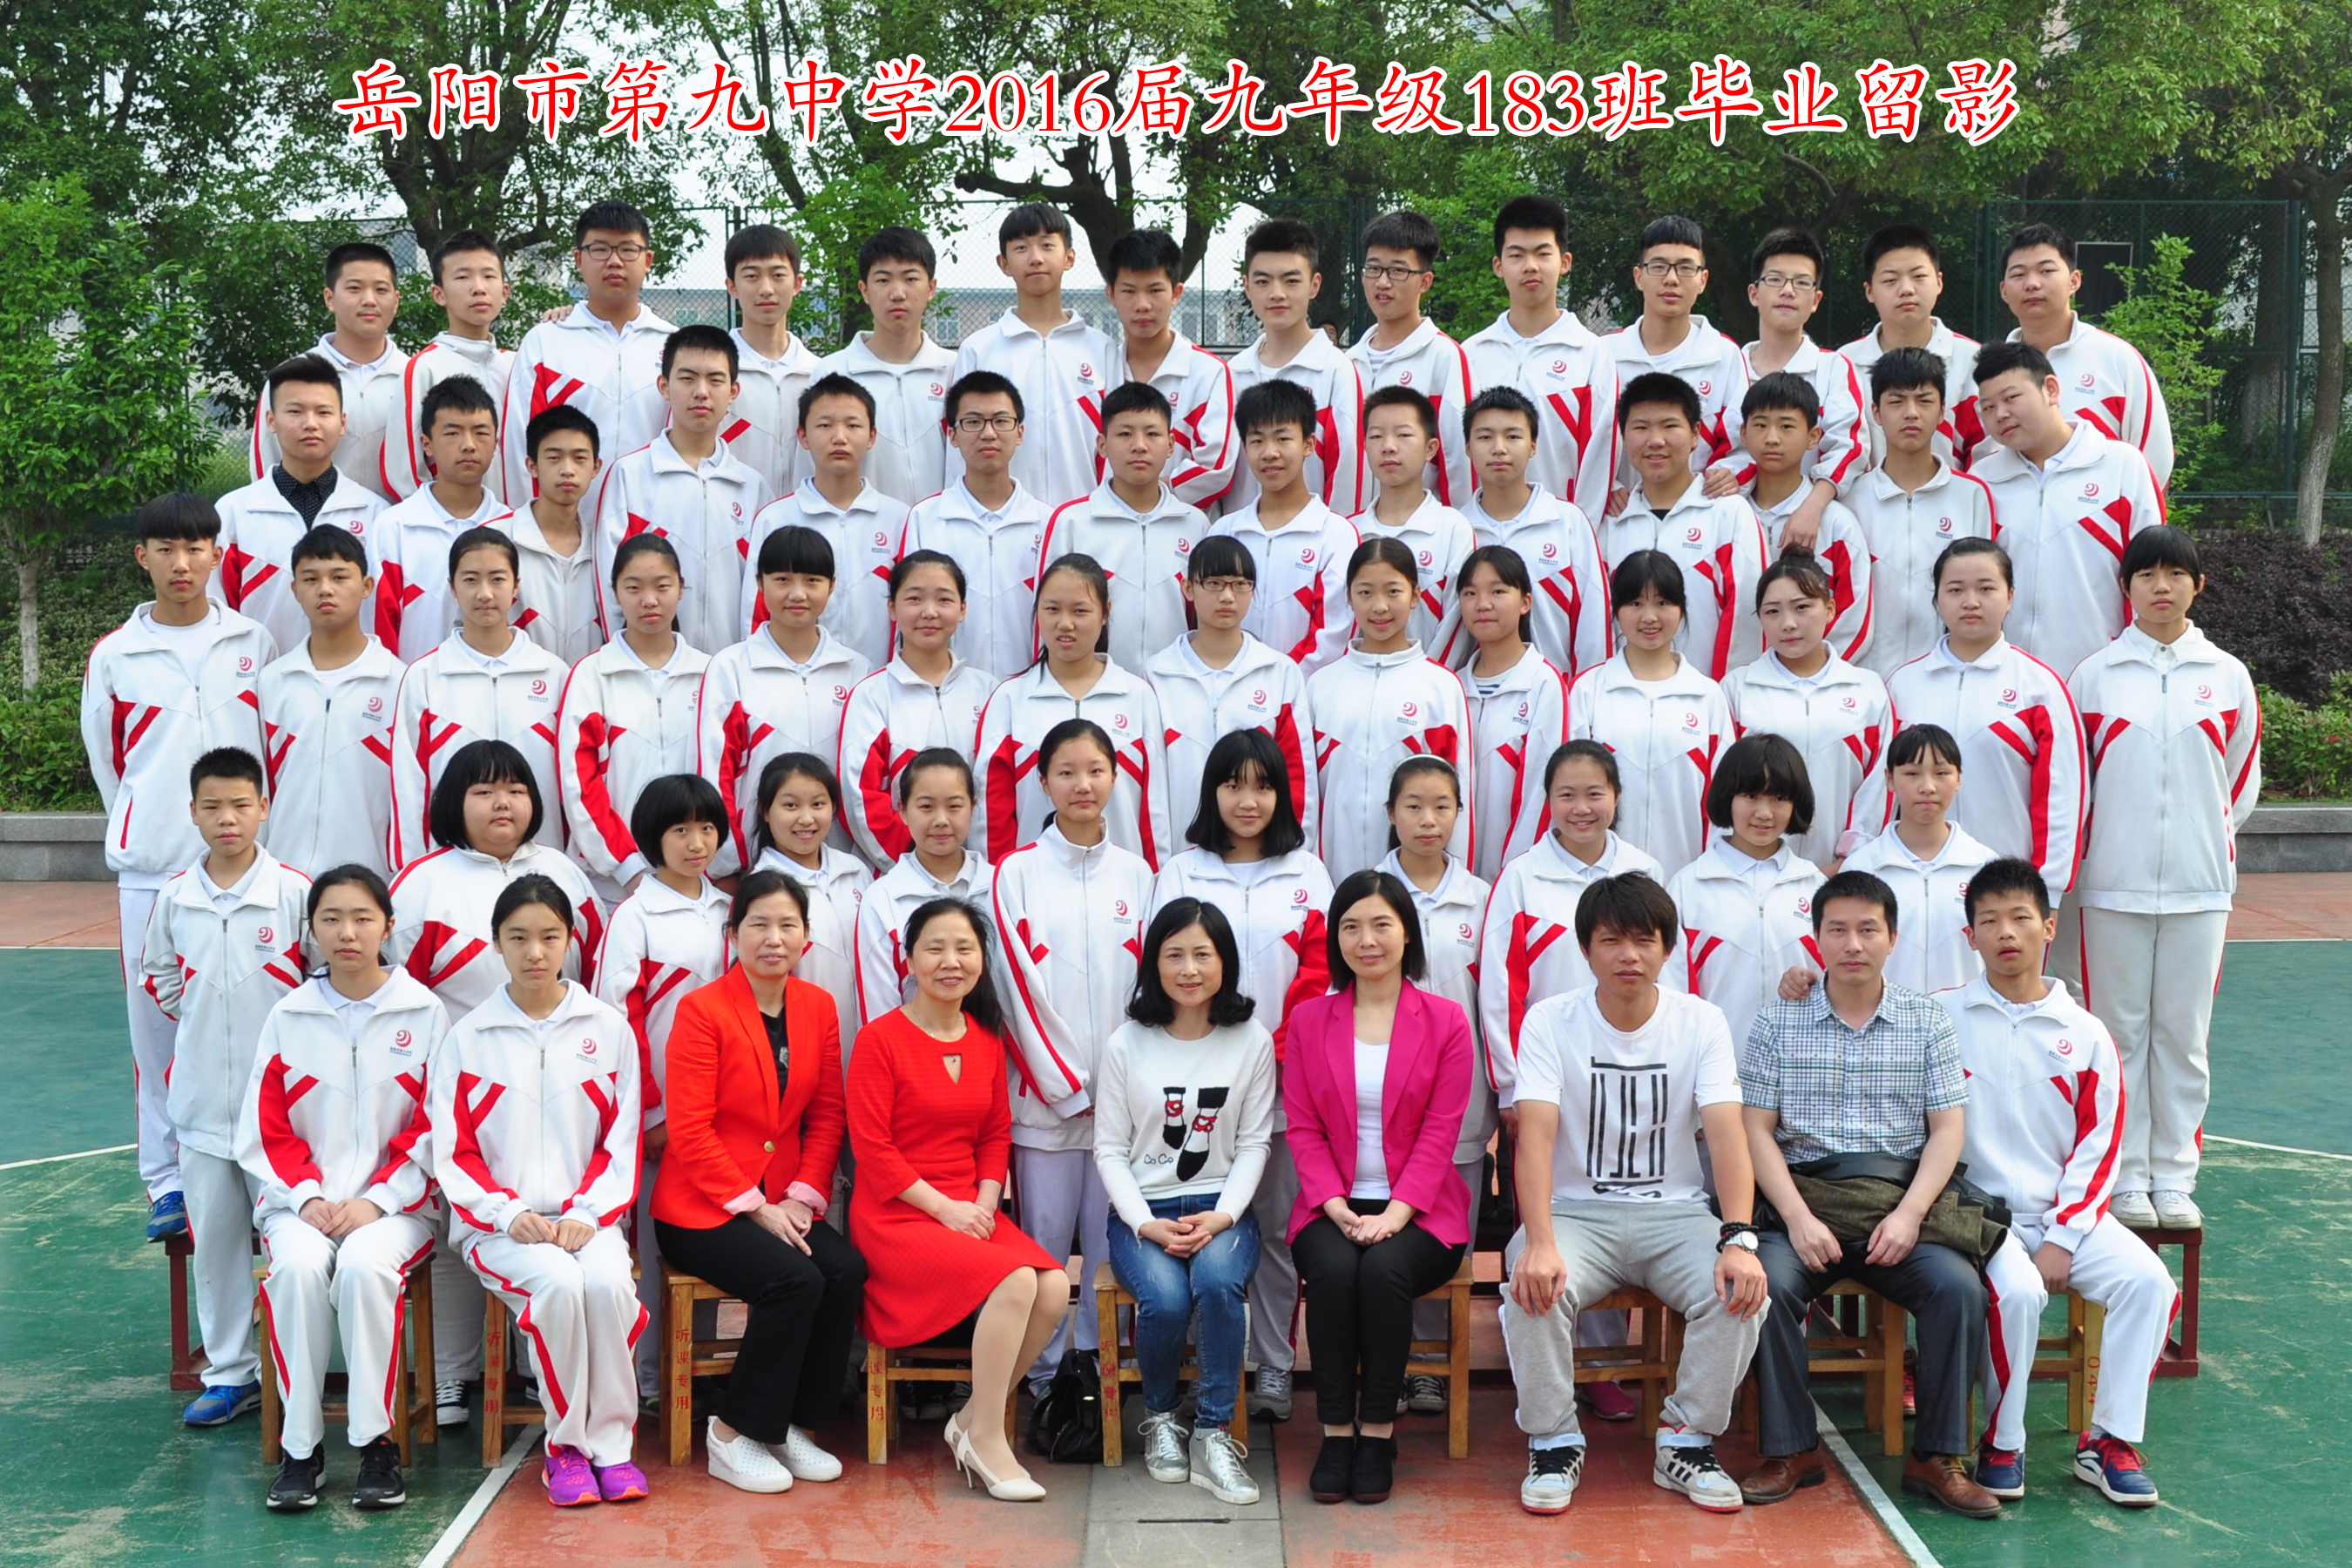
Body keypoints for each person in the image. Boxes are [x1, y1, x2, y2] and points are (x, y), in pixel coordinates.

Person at [1500, 871, 1769, 1515]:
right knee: (1531, 1283)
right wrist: (1539, 1241)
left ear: (1667, 948)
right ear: (1585, 948)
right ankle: (1554, 1440)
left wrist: (1738, 1238)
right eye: (1611, 940)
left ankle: (1687, 1439)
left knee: (1740, 1289)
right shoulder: (1550, 1021)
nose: (1629, 955)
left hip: (1675, 1215)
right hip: (1573, 1214)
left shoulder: (1700, 1021)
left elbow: (1727, 1135)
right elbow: (1534, 1138)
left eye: (1644, 940)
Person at [1736, 870, 1996, 1518]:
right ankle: (1792, 1450)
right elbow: (1755, 1130)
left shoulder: (1926, 1020)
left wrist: (1910, 1216)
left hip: (1897, 1205)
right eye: (1838, 930)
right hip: (1804, 1201)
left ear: (1892, 938)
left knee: (1958, 1289)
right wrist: (1796, 1219)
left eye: (1868, 930)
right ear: (1817, 938)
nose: (1853, 944)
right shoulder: (1777, 1020)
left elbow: (1947, 1131)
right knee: (1766, 1285)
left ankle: (1937, 1456)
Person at [1945, 858, 2178, 1508]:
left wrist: (2064, 1236)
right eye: (1989, 920)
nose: (2005, 933)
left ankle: (2108, 1441)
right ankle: (2002, 1443)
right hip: (1978, 1218)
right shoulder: (1940, 1018)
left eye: (2020, 918)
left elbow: (2101, 1147)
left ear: (2049, 927)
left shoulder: (2087, 1033)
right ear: (1970, 936)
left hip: (2068, 1217)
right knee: (2017, 1294)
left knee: (2150, 1283)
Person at [81, 492, 277, 1242]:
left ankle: (263, 1168)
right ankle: (167, 1183)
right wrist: (147, 826)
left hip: (245, 868)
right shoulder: (115, 655)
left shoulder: (252, 642)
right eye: (165, 549)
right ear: (143, 557)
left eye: (195, 548)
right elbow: (110, 763)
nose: (182, 562)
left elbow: (269, 750)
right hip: (152, 872)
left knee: (252, 1021)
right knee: (155, 1031)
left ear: (216, 554)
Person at [431, 873, 647, 1506]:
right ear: (495, 943)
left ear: (570, 940)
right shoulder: (468, 1038)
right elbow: (453, 1151)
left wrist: (588, 1213)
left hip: (589, 1220)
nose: (534, 952)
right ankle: (567, 1450)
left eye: (549, 936)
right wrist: (506, 1212)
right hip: (497, 1227)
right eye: (518, 937)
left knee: (607, 1286)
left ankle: (614, 1449)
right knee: (556, 1284)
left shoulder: (607, 1029)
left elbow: (622, 1139)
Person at [2068, 526, 2261, 1228]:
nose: (2161, 586)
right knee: (2117, 1034)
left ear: (2197, 585)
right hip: (2110, 886)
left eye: (2175, 573)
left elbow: (2239, 785)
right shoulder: (2094, 676)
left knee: (2183, 1036)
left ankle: (2174, 1176)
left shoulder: (2227, 676)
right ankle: (2124, 1176)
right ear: (2125, 587)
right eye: (2146, 574)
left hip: (2200, 888)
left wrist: (2202, 844)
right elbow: (2079, 782)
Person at [848, 897, 1070, 1500]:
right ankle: (988, 1438)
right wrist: (945, 1209)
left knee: (1053, 1286)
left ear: (980, 960)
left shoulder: (985, 1039)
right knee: (1016, 1281)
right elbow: (872, 1150)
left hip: (969, 1207)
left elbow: (995, 1134)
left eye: (964, 948)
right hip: (899, 1214)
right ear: (909, 960)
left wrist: (986, 1201)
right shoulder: (879, 1040)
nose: (951, 961)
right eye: (936, 948)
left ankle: (971, 1420)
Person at [239, 864, 446, 1511]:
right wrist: (305, 1196)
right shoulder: (289, 1015)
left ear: (388, 925)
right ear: (312, 929)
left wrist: (376, 1201)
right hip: (300, 1204)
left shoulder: (425, 1012)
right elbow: (265, 1125)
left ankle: (377, 1444)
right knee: (298, 1271)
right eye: (331, 919)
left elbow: (436, 1125)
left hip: (397, 1207)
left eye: (362, 918)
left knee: (362, 1268)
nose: (347, 933)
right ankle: (301, 1449)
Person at [652, 868, 867, 1493]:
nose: (774, 938)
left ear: (806, 936)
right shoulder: (702, 1010)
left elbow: (827, 1113)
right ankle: (732, 1432)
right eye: (759, 925)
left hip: (783, 1199)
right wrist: (755, 1207)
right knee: (794, 1280)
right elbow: (690, 1129)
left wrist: (801, 1197)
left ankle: (793, 1424)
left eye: (787, 925)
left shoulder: (818, 1007)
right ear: (733, 933)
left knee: (844, 1270)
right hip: (702, 1209)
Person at [1150, 727, 1335, 1423]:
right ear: (1213, 793)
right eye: (1233, 785)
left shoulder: (1308, 873)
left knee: (1280, 1231)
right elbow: (1166, 970)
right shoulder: (1182, 873)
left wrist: (1274, 1056)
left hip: (1286, 1083)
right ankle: (1205, 1365)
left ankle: (1276, 1365)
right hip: (1196, 1086)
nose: (1248, 801)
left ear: (1282, 794)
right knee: (1194, 1225)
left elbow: (1320, 975)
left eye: (1262, 786)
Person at [1286, 869, 1472, 1505]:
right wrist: (1335, 1206)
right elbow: (1303, 1126)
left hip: (1423, 1209)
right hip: (1329, 1204)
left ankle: (1377, 1433)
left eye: (1381, 925)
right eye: (1351, 927)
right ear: (1336, 939)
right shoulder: (1310, 1020)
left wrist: (1397, 1213)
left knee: (1383, 1270)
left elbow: (1442, 1130)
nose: (1366, 940)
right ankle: (1336, 1433)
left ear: (1407, 933)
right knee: (1336, 1270)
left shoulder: (1445, 1021)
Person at [143, 746, 314, 1427]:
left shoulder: (294, 893)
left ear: (264, 807)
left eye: (241, 804)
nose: (227, 819)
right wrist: (203, 1018)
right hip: (202, 1112)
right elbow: (161, 978)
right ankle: (230, 1374)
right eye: (212, 806)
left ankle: (295, 1369)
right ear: (192, 812)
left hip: (283, 1117)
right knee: (215, 1245)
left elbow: (321, 980)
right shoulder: (175, 898)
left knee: (294, 1245)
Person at [991, 719, 1155, 1397]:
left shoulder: (1139, 876)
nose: (1082, 784)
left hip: (1122, 1106)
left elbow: (1153, 990)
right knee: (1045, 1245)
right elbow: (1013, 988)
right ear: (1043, 781)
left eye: (1095, 770)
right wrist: (1064, 1084)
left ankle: (1096, 1372)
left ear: (1116, 777)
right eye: (1066, 771)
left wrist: (1118, 1088)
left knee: (1112, 1246)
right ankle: (1043, 1376)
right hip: (1044, 1104)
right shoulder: (1016, 873)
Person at [1095, 898, 1276, 1503]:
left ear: (1225, 962)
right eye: (1174, 955)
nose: (1189, 969)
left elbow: (1253, 1143)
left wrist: (1224, 1216)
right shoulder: (1127, 1043)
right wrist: (1144, 1224)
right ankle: (1162, 1418)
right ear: (1154, 963)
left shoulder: (1251, 1040)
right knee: (1167, 1300)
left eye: (1203, 954)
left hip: (1221, 1205)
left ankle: (1213, 1432)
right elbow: (1109, 1151)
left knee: (1219, 1282)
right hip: (1144, 1210)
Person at [594, 774, 732, 1395]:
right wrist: (650, 1114)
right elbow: (617, 1021)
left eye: (707, 828)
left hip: (729, 1109)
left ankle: (714, 1373)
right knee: (654, 1247)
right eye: (680, 830)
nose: (696, 843)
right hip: (663, 1117)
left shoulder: (730, 910)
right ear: (653, 837)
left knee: (720, 1242)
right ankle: (651, 1380)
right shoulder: (634, 917)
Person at [1378, 757, 1494, 1415]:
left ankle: (1432, 1364)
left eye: (1442, 806)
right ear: (1391, 813)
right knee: (1383, 1229)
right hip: (1381, 1097)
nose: (1428, 820)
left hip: (1461, 1099)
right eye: (1414, 806)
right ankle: (1387, 1362)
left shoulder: (1482, 899)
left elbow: (1493, 1001)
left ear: (1459, 813)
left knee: (1448, 1232)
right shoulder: (1367, 893)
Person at [1880, 537, 2085, 900]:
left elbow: (2062, 795)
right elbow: (1879, 789)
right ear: (1937, 598)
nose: (1971, 601)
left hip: (2007, 890)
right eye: (1955, 590)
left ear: (2010, 596)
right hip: (1911, 882)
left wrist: (2047, 889)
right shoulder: (1902, 685)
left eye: (1986, 588)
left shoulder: (2039, 687)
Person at [1478, 741, 1668, 1112]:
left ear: (1616, 796)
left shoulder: (1646, 871)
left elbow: (1670, 977)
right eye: (1567, 795)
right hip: (1546, 1076)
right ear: (1548, 799)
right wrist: (1511, 1086)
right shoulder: (1520, 877)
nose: (1581, 808)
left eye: (1595, 794)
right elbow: (1500, 990)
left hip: (1636, 1071)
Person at [1968, 341, 2165, 679]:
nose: (2000, 414)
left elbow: (2153, 573)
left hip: (2104, 674)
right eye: (1988, 407)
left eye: (2011, 398)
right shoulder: (1982, 480)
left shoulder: (2122, 467)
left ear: (2052, 390)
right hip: (2006, 679)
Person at [386, 528, 571, 868]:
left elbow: (573, 782)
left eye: (497, 579)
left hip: (541, 865)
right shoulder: (425, 676)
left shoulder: (554, 674)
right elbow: (408, 783)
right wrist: (412, 870)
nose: (485, 593)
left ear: (516, 586)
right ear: (452, 587)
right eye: (471, 580)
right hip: (452, 867)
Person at [973, 554, 1173, 867]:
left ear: (1105, 612)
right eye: (1052, 609)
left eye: (1080, 611)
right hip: (1034, 883)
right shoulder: (1009, 699)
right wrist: (999, 879)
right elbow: (992, 814)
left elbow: (1155, 810)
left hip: (1122, 883)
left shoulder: (1138, 696)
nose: (1065, 623)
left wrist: (1155, 880)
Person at [697, 526, 869, 875]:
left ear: (832, 585)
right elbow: (715, 773)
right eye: (782, 580)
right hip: (755, 867)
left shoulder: (857, 670)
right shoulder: (731, 668)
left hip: (842, 866)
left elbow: (866, 778)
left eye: (812, 580)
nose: (797, 594)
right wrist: (728, 866)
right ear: (759, 583)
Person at [591, 324, 772, 655]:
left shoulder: (752, 487)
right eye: (687, 378)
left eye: (715, 380)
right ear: (664, 385)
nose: (701, 392)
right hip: (650, 665)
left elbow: (765, 589)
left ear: (733, 391)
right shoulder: (629, 476)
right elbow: (609, 578)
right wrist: (630, 658)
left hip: (733, 668)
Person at [1308, 537, 1476, 882]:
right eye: (1365, 592)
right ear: (1349, 597)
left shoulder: (1440, 687)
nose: (1380, 606)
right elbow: (1307, 794)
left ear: (1415, 596)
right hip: (1332, 878)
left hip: (1415, 884)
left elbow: (1458, 796)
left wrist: (1450, 884)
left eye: (1393, 591)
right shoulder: (1321, 686)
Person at [557, 534, 710, 902]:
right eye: (634, 587)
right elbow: (580, 781)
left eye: (662, 586)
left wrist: (712, 858)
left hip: (699, 877)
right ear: (615, 593)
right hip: (613, 885)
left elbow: (726, 775)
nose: (649, 600)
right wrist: (627, 867)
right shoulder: (592, 675)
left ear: (681, 589)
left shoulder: (710, 673)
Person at [1565, 551, 1734, 876]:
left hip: (1686, 879)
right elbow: (1568, 790)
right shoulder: (1588, 691)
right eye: (1635, 603)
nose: (1650, 617)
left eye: (1662, 603)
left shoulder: (1707, 696)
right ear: (1616, 610)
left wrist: (1706, 878)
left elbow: (1725, 800)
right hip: (1602, 882)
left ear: (1681, 608)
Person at [1145, 535, 1320, 844]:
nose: (1227, 596)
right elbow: (1150, 787)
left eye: (1240, 584)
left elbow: (1297, 774)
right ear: (1188, 588)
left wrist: (1293, 853)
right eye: (1214, 584)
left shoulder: (1279, 672)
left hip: (1259, 855)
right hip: (1181, 853)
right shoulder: (1156, 675)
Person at [499, 200, 675, 505]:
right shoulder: (545, 343)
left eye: (628, 249)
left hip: (652, 522)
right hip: (566, 523)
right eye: (600, 249)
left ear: (648, 260)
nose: (614, 261)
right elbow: (519, 445)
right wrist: (531, 525)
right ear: (578, 260)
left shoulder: (674, 346)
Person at [1721, 553, 1889, 867]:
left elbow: (1879, 785)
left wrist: (1848, 862)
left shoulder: (1867, 690)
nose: (1788, 623)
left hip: (1842, 874)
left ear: (1830, 609)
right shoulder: (1737, 689)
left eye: (1802, 607)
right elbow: (1724, 786)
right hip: (1754, 869)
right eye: (1772, 611)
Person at [1594, 374, 1767, 680]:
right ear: (1623, 437)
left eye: (1669, 426)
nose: (1655, 440)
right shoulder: (1611, 523)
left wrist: (1726, 695)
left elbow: (1746, 618)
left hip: (1708, 698)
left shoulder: (1728, 514)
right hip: (1624, 697)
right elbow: (1600, 623)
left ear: (1696, 433)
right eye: (1641, 427)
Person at [1664, 734, 1827, 1058]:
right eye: (1751, 796)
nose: (1764, 812)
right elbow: (1671, 990)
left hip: (1802, 1068)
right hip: (1715, 1068)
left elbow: (1841, 980)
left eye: (1779, 798)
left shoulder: (1814, 885)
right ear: (1727, 797)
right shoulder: (1687, 887)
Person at [257, 524, 404, 878]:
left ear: (367, 586)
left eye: (339, 577)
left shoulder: (400, 683)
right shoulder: (271, 682)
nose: (325, 589)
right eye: (311, 579)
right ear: (294, 589)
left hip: (369, 881)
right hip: (283, 877)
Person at [947, 203, 1114, 511]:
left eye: (1047, 245)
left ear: (1069, 257)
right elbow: (961, 441)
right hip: (1005, 520)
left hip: (1087, 517)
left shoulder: (1101, 348)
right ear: (1004, 263)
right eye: (1021, 248)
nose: (1036, 258)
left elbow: (1118, 437)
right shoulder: (978, 349)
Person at [1460, 196, 1619, 519]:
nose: (1530, 266)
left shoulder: (1591, 355)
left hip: (1558, 535)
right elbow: (1457, 456)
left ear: (1565, 262)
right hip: (1481, 535)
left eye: (1543, 253)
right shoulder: (1470, 354)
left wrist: (1574, 533)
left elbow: (1599, 463)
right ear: (1498, 266)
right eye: (1517, 255)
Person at [214, 355, 386, 652]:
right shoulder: (233, 514)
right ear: (271, 420)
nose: (310, 424)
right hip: (260, 674)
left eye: (323, 412)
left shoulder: (376, 514)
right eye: (295, 411)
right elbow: (215, 612)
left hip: (355, 675)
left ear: (342, 422)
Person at [1039, 381, 1213, 669]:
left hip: (1176, 683)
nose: (1139, 446)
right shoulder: (1071, 521)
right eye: (1125, 434)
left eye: (1152, 434)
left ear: (1171, 444)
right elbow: (1046, 614)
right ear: (1102, 445)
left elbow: (1203, 617)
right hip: (1096, 685)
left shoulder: (1195, 524)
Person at [1847, 348, 1997, 679]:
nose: (1911, 413)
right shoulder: (1851, 498)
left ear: (1942, 411)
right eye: (1897, 401)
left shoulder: (1972, 495)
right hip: (1864, 678)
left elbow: (1987, 587)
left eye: (1924, 401)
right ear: (1876, 412)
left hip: (1945, 675)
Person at [837, 552, 995, 864]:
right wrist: (915, 868)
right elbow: (861, 798)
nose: (929, 612)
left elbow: (998, 794)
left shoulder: (990, 692)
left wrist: (982, 869)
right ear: (892, 608)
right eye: (914, 599)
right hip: (900, 874)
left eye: (944, 600)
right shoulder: (871, 696)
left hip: (978, 875)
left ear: (963, 609)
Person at [741, 374, 907, 671]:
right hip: (795, 680)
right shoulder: (776, 518)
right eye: (825, 425)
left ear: (872, 436)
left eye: (853, 425)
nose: (839, 437)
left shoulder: (900, 519)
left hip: (882, 682)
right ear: (803, 436)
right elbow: (756, 612)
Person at [900, 370, 1055, 678]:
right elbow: (909, 614)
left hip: (1032, 689)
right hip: (950, 688)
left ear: (1020, 432)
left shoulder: (1048, 522)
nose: (988, 433)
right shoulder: (925, 518)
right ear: (952, 435)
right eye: (973, 422)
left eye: (1001, 421)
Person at [1205, 378, 1362, 674]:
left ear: (1308, 444)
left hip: (1304, 694)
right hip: (1229, 690)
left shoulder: (1335, 535)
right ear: (1245, 448)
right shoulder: (1223, 532)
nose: (1270, 452)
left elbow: (1331, 637)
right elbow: (1207, 624)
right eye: (1257, 440)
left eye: (1282, 438)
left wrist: (1277, 686)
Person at [1997, 223, 2173, 485]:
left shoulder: (2118, 360)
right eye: (2019, 274)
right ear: (2004, 291)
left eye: (2046, 271)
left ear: (2074, 281)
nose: (2032, 284)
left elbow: (2155, 460)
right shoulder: (1989, 371)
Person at [1456, 388, 1610, 681]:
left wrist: (1585, 695)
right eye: (1485, 437)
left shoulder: (1567, 522)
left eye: (1513, 436)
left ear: (1533, 445)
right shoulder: (1458, 529)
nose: (1499, 448)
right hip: (1474, 696)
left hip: (1558, 694)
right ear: (1467, 447)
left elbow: (1593, 622)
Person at [1220, 219, 1366, 518]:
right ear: (1247, 286)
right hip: (1240, 540)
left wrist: (1338, 538)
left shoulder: (1336, 370)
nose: (1277, 293)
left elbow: (1348, 474)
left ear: (1314, 285)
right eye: (1263, 281)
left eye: (1291, 281)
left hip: (1315, 540)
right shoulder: (1232, 373)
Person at [1834, 724, 1993, 995]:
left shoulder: (1985, 867)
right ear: (1889, 779)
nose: (1928, 787)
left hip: (1966, 1017)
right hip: (1884, 1018)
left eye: (1941, 773)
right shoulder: (1861, 867)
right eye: (1912, 774)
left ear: (1959, 778)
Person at [1735, 228, 1868, 552]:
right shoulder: (1731, 367)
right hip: (1736, 524)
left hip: (1812, 530)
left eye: (1802, 282)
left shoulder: (1833, 368)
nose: (1788, 291)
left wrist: (1811, 507)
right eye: (1775, 279)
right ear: (1754, 293)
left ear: (1816, 300)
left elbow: (1850, 448)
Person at [370, 377, 517, 665]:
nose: (469, 445)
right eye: (453, 433)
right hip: (414, 687)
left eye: (481, 433)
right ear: (427, 444)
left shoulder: (512, 527)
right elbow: (379, 629)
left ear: (496, 443)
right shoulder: (394, 528)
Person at [250, 242, 408, 498]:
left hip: (398, 522)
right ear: (329, 298)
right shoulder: (291, 378)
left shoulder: (414, 376)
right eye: (354, 288)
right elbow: (265, 469)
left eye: (381, 290)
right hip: (314, 521)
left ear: (396, 301)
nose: (369, 300)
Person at [853, 750, 997, 1030]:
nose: (941, 820)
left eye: (954, 806)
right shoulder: (883, 899)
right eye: (927, 807)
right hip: (914, 1053)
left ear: (973, 807)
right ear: (903, 810)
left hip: (997, 1052)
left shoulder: (1000, 887)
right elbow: (879, 1009)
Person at [1604, 216, 1747, 495]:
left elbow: (1741, 445)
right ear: (1638, 277)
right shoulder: (1604, 354)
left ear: (1702, 280)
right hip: (1620, 514)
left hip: (1700, 512)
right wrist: (1609, 488)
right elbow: (1588, 443)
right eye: (1658, 266)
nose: (1671, 279)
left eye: (1685, 268)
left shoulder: (1724, 355)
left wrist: (1729, 475)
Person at [813, 226, 955, 504]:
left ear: (931, 288)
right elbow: (813, 471)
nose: (898, 293)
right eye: (883, 280)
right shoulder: (832, 373)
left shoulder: (955, 370)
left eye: (911, 278)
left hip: (943, 526)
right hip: (865, 526)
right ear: (864, 290)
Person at [1737, 374, 1873, 658]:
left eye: (1786, 426)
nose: (1772, 438)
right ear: (1744, 434)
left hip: (1815, 678)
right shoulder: (1727, 515)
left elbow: (1854, 620)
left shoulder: (1837, 524)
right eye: (1760, 425)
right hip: (1739, 677)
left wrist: (1806, 672)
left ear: (1813, 437)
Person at [748, 753, 874, 1059]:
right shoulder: (760, 890)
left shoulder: (856, 871)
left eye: (818, 804)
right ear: (765, 811)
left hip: (872, 1043)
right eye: (791, 806)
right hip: (803, 1049)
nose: (806, 819)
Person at [1103, 226, 1236, 508]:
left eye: (1155, 290)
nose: (1142, 305)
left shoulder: (1208, 372)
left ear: (1176, 293)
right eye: (1129, 291)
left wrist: (1143, 493)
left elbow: (1216, 469)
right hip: (1104, 524)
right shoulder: (1098, 370)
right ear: (1111, 294)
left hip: (1185, 527)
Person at [1348, 210, 1474, 508]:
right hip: (1356, 526)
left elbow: (1458, 460)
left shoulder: (1444, 356)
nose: (1382, 282)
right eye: (1373, 269)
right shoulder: (1347, 363)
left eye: (1398, 271)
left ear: (1425, 281)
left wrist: (1456, 526)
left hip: (1422, 527)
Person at [1456, 545, 1567, 879]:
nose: (1483, 604)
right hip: (1451, 875)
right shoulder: (1451, 686)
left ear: (1525, 602)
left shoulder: (1542, 683)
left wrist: (1514, 876)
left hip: (1513, 875)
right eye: (1470, 593)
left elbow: (1539, 791)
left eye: (1498, 591)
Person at [1839, 224, 1983, 470]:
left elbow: (1986, 454)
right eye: (1890, 280)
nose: (1906, 289)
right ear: (1870, 291)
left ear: (1939, 282)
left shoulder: (1974, 360)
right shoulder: (1843, 363)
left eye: (1919, 277)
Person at [1353, 385, 1479, 660]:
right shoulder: (1350, 532)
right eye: (1376, 436)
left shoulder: (1453, 529)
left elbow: (1457, 625)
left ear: (1430, 448)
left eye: (1403, 435)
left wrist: (1427, 679)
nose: (1388, 446)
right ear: (1365, 447)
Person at [389, 230, 515, 503]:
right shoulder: (424, 368)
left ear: (505, 292)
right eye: (463, 277)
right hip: (451, 524)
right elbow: (404, 471)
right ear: (439, 294)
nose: (479, 287)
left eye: (489, 276)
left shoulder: (518, 365)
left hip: (518, 521)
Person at [720, 225, 824, 499]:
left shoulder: (820, 374)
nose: (766, 289)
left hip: (806, 517)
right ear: (732, 286)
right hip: (733, 514)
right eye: (752, 276)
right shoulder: (715, 375)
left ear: (797, 284)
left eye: (778, 275)